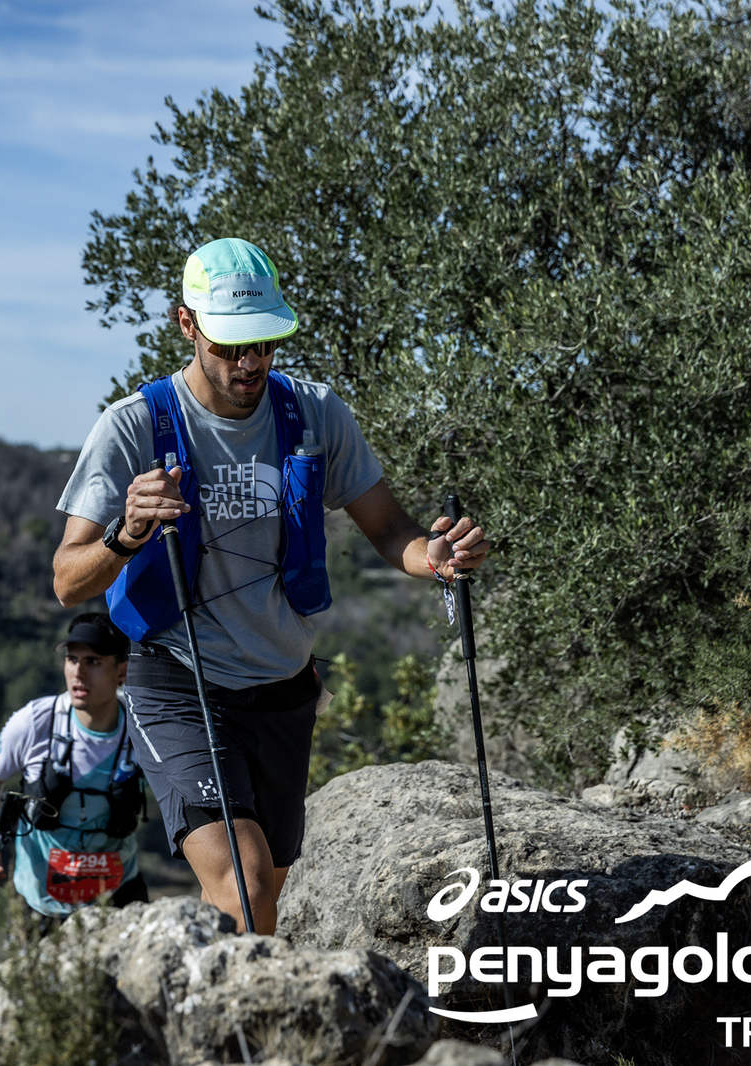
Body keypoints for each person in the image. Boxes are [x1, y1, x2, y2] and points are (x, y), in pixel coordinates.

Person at [52, 236, 488, 935]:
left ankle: (198, 987)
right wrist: (125, 534)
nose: (250, 361)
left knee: (262, 899)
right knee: (246, 884)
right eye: (230, 346)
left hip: (284, 686)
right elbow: (67, 580)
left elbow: (388, 527)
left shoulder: (313, 413)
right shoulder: (134, 427)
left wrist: (435, 558)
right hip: (178, 681)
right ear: (186, 325)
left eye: (264, 342)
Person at [0, 613, 150, 921]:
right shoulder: (36, 722)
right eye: (72, 659)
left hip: (119, 900)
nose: (78, 672)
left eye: (93, 661)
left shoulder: (143, 726)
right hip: (40, 905)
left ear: (122, 671)